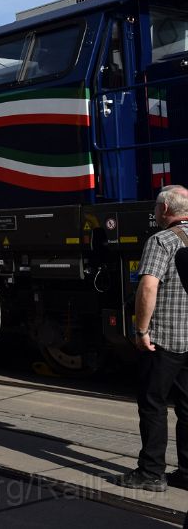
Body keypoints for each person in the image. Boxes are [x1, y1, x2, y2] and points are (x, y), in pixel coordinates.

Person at [119, 185, 188, 492]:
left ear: (164, 209)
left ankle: (151, 472)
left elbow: (148, 287)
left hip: (164, 339)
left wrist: (141, 330)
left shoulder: (162, 240)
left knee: (153, 404)